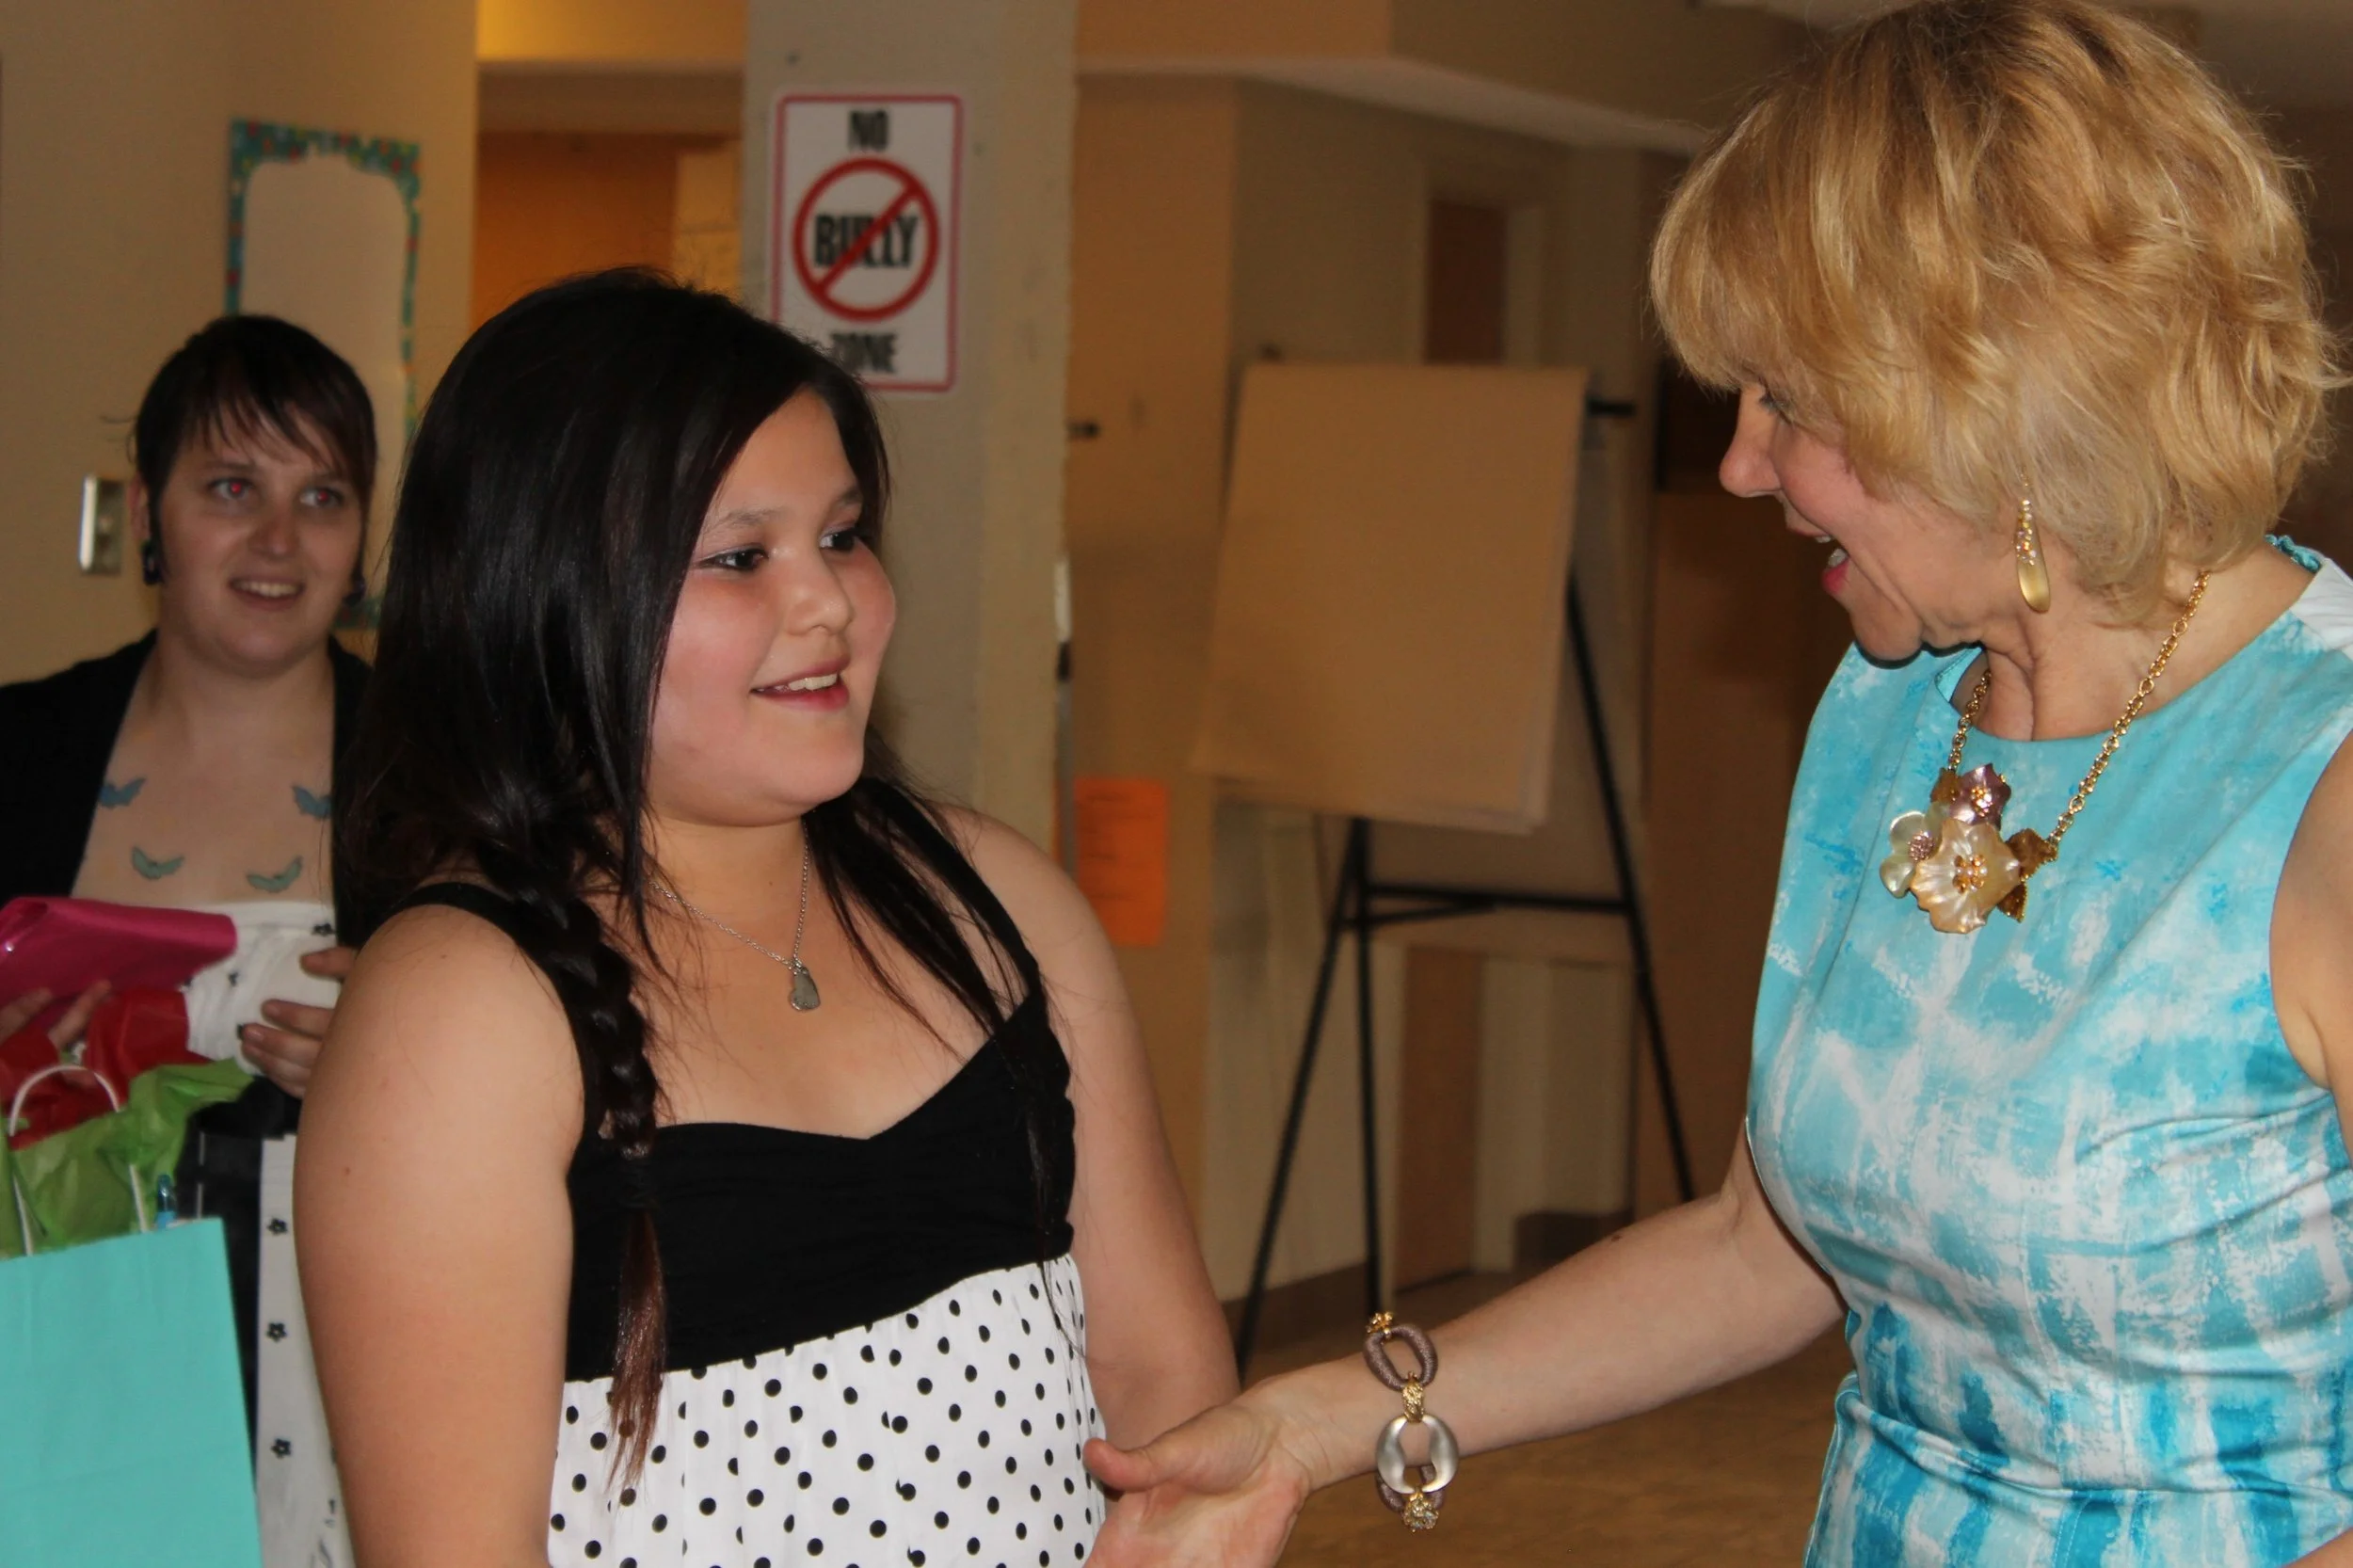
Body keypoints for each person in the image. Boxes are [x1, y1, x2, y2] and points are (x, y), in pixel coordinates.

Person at [1084, 3, 2353, 1564]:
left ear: (1995, 400)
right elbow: (1772, 1245)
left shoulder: (2323, 775)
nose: (1742, 464)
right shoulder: (1894, 708)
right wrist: (1319, 1418)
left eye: (1788, 402)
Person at [297, 270, 1235, 1567]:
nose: (833, 605)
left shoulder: (992, 899)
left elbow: (1163, 1377)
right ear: (552, 599)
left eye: (842, 535)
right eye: (742, 557)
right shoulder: (464, 1006)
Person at [0, 313, 376, 1092]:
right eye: (233, 488)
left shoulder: (453, 778)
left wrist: (408, 1051)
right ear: (145, 513)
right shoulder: (17, 748)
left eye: (322, 496)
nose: (279, 538)